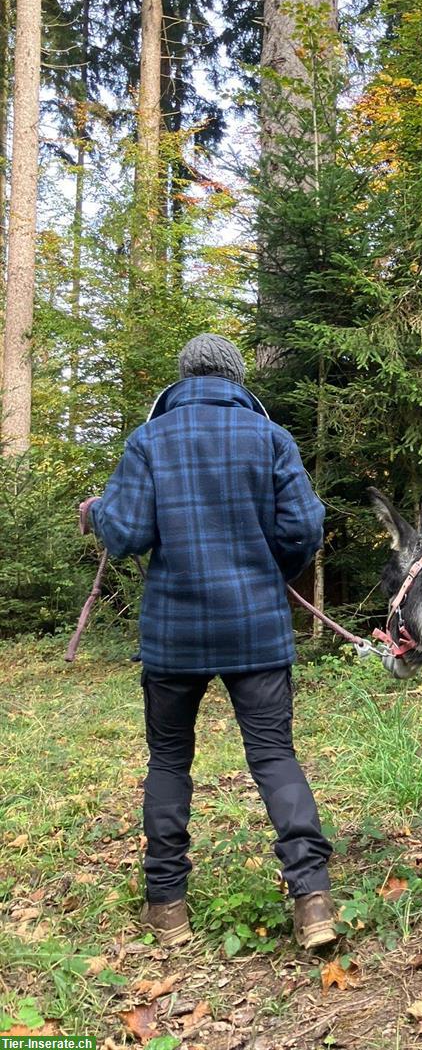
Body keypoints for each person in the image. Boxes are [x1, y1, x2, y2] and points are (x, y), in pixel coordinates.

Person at [80, 334, 336, 951]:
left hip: (174, 634)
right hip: (256, 626)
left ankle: (167, 907)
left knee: (169, 761)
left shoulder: (148, 440)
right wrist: (271, 563)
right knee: (274, 758)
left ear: (184, 376)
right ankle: (313, 902)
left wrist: (97, 512)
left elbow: (129, 534)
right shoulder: (271, 438)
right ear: (236, 378)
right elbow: (305, 525)